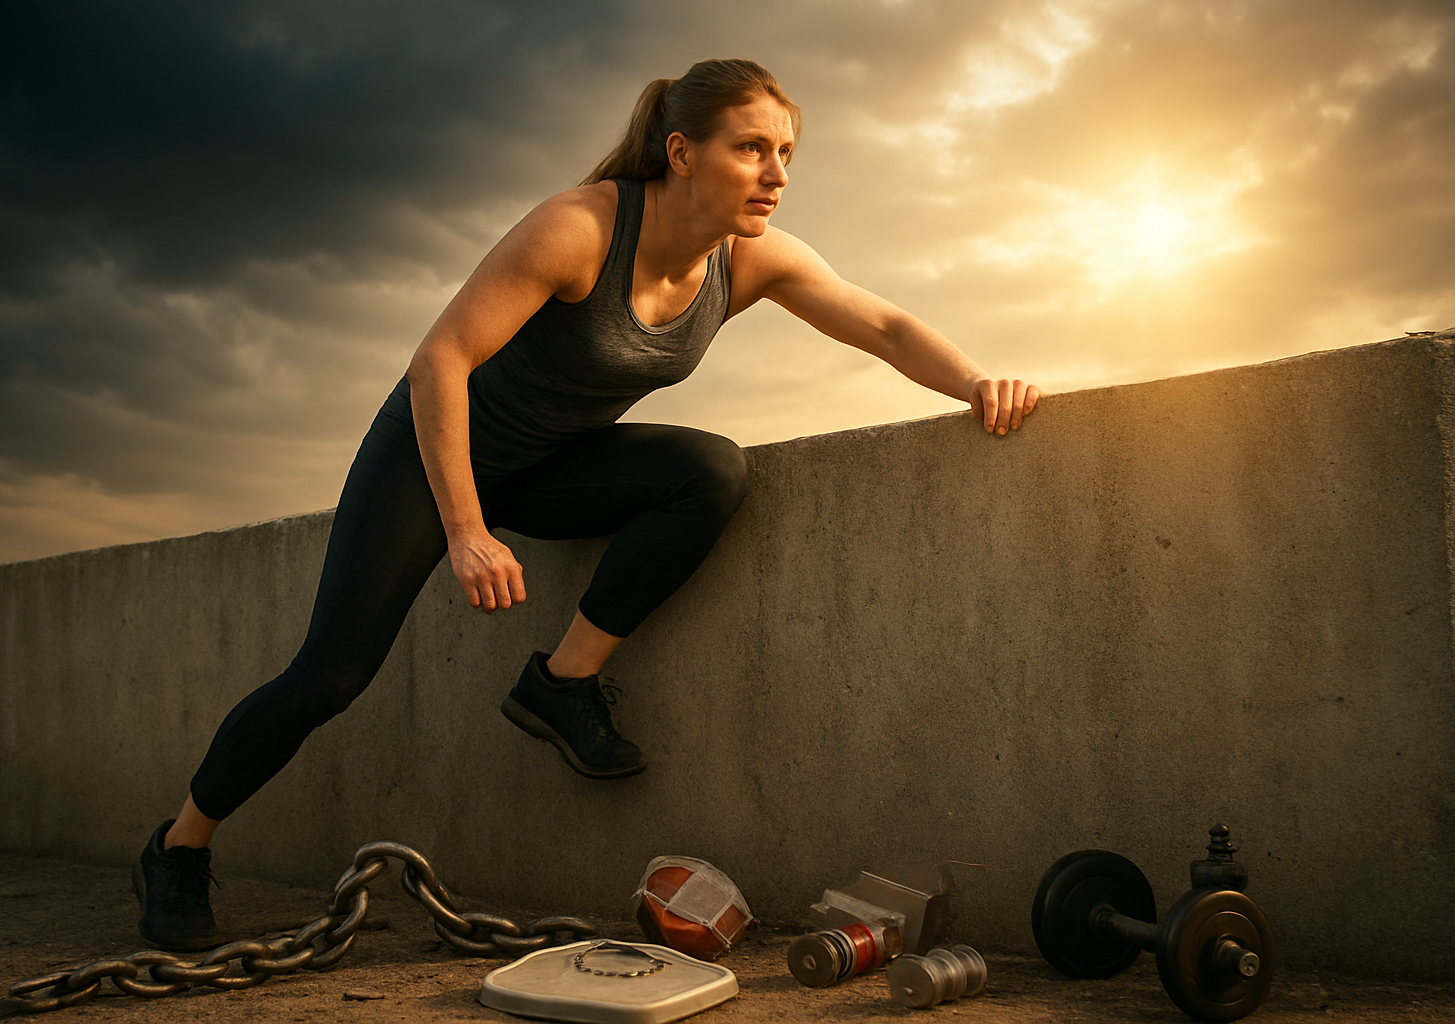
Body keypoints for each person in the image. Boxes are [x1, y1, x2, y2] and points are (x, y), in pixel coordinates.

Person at [131, 58, 1041, 951]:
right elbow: (439, 361)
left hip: (547, 466)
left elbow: (880, 324)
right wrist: (466, 529)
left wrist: (972, 381)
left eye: (787, 152)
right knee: (329, 676)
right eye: (752, 148)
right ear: (682, 153)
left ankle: (560, 685)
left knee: (708, 471)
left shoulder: (750, 262)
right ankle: (178, 849)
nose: (777, 173)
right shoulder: (580, 228)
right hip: (431, 455)